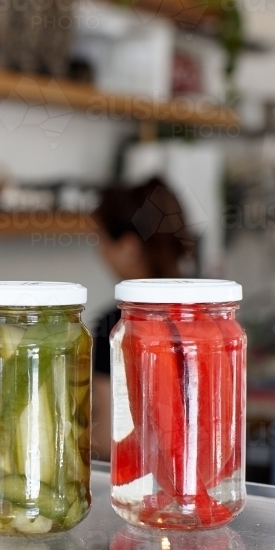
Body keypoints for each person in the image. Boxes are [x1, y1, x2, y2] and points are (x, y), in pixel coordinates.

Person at [90, 176, 196, 460]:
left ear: (128, 247)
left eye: (101, 241)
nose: (100, 253)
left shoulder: (116, 326)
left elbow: (107, 438)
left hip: (139, 483)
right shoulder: (207, 314)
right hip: (201, 473)